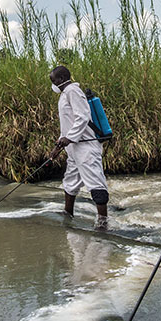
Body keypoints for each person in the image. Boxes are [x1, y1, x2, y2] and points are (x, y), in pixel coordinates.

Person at [49, 65, 109, 228]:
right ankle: (68, 213)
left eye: (53, 80)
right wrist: (59, 146)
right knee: (70, 181)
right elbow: (67, 125)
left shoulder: (73, 92)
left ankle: (103, 222)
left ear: (61, 79)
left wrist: (70, 138)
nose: (53, 84)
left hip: (86, 148)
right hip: (74, 149)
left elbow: (82, 117)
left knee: (95, 182)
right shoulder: (64, 95)